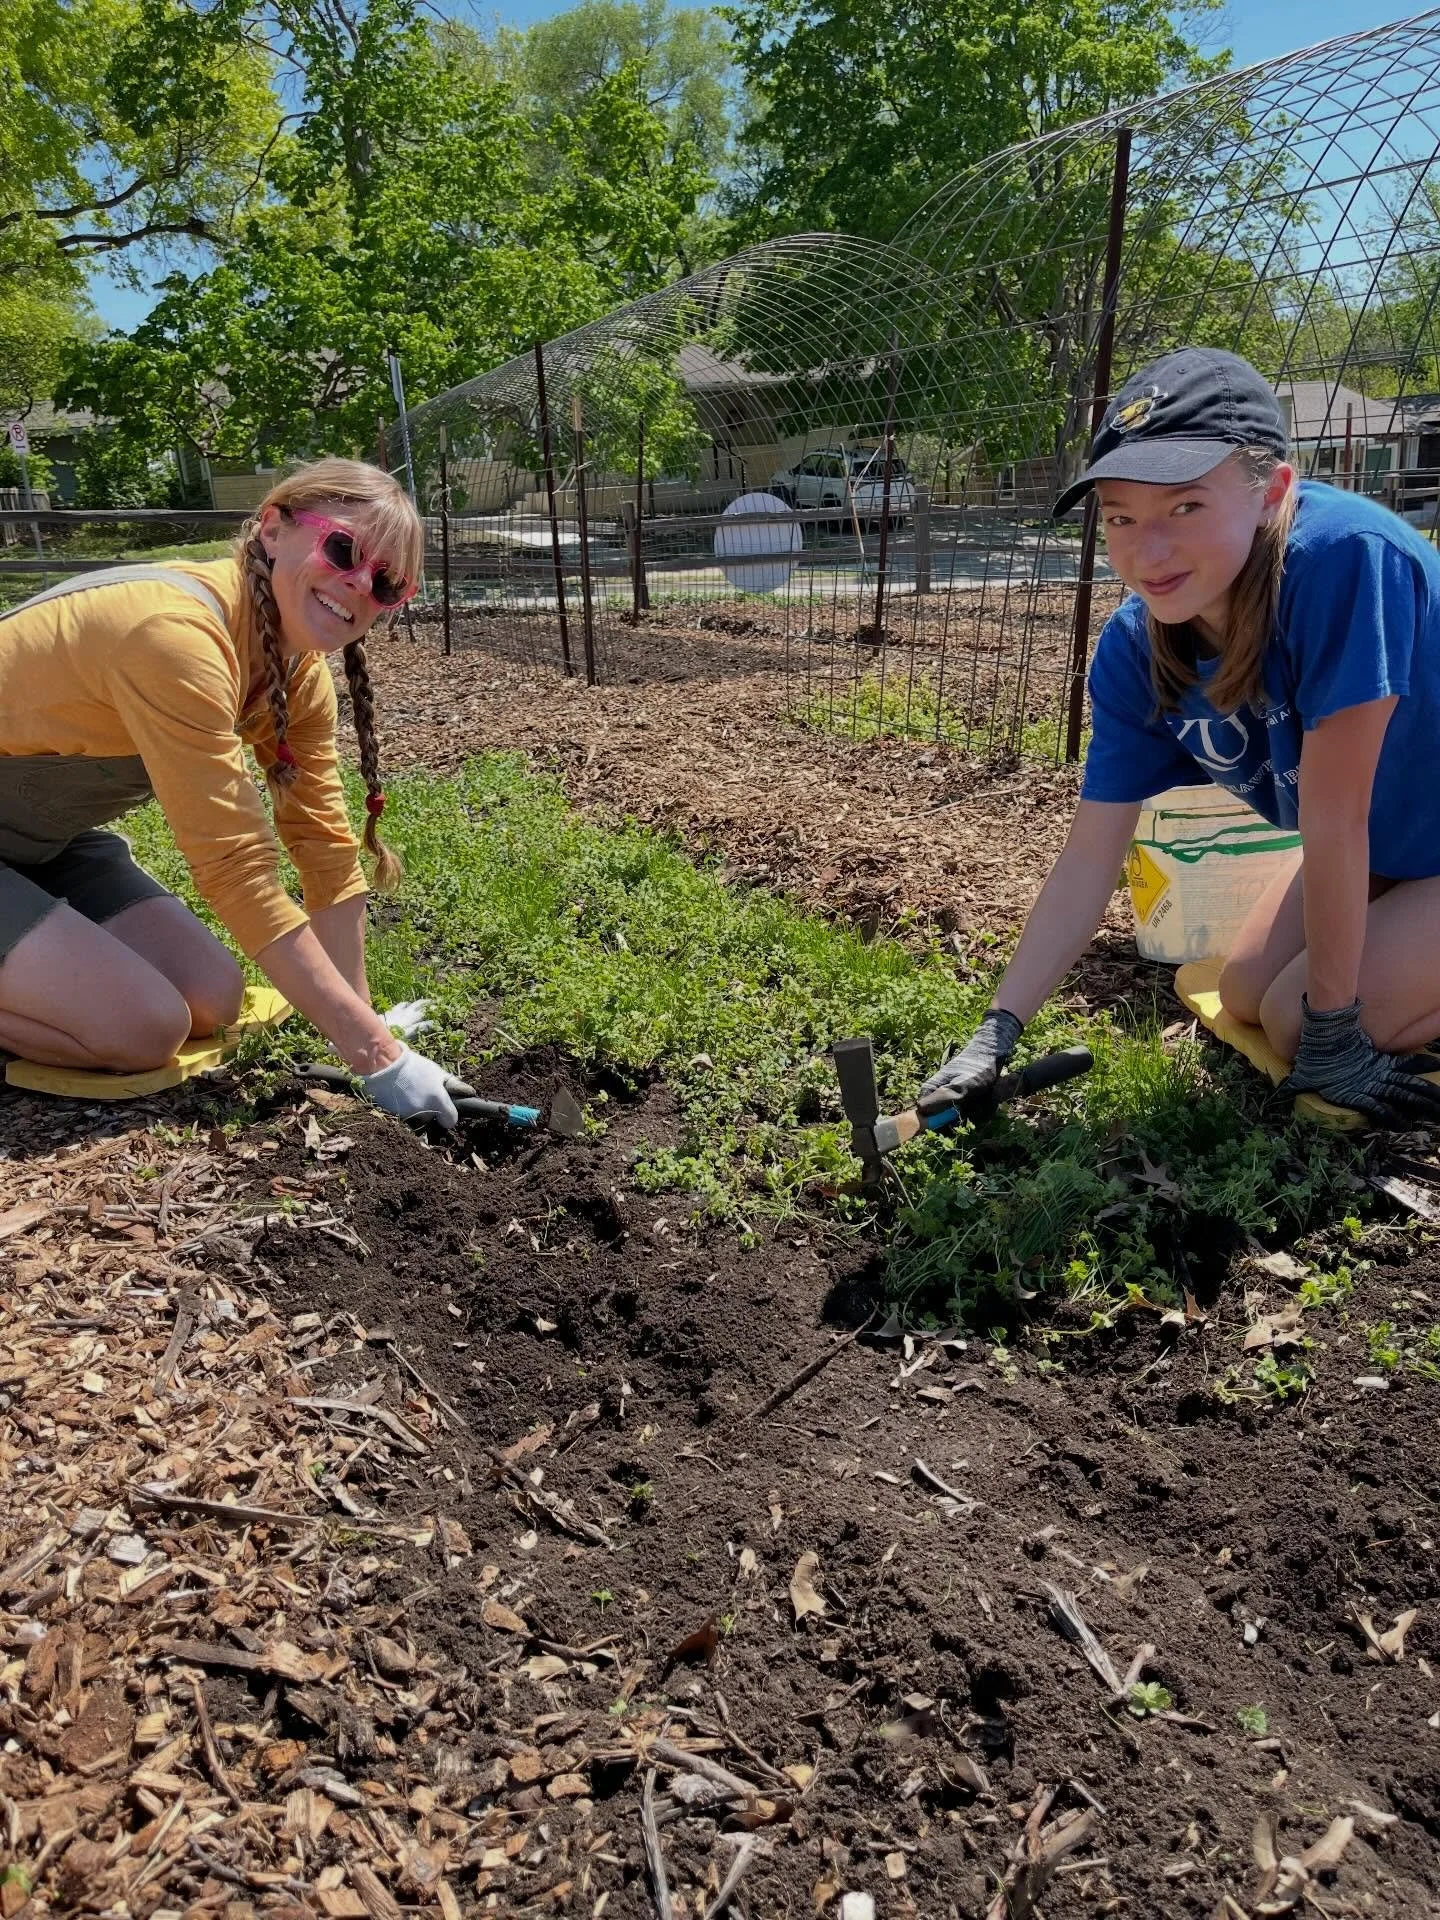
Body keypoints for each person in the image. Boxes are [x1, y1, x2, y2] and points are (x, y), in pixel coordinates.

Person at [921, 346, 1440, 1129]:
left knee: (1304, 1023)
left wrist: (1335, 1033)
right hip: (1398, 848)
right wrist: (996, 1033)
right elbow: (1091, 855)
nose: (1147, 550)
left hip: (1375, 836)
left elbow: (1334, 821)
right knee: (1244, 996)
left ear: (1272, 491)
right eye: (1122, 517)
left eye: (1185, 507)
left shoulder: (1343, 564)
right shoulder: (1137, 650)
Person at [0, 457, 460, 1127]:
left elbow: (323, 846)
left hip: (39, 841)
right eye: (342, 549)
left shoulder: (293, 674)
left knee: (213, 998)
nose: (358, 584)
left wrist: (364, 1019)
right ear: (274, 528)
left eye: (386, 581)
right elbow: (235, 868)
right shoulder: (173, 635)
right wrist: (376, 1055)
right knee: (144, 1030)